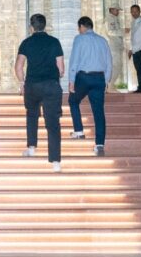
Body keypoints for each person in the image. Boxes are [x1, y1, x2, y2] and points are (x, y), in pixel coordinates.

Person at [14, 13, 65, 172]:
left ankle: (31, 148)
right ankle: (55, 161)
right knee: (53, 123)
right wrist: (57, 74)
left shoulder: (26, 43)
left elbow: (18, 66)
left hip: (32, 85)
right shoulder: (54, 42)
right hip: (51, 85)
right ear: (44, 26)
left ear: (31, 27)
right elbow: (61, 69)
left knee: (32, 115)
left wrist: (22, 83)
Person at [67, 16, 114, 156]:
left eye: (79, 28)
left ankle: (79, 131)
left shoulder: (79, 39)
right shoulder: (103, 40)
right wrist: (106, 81)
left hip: (84, 77)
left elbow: (74, 60)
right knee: (98, 111)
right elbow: (109, 63)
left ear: (82, 26)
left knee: (73, 101)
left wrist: (71, 80)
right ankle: (99, 145)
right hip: (99, 78)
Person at [105, 7, 124, 88]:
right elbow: (110, 32)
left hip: (116, 46)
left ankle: (110, 85)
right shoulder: (109, 19)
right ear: (111, 10)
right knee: (116, 65)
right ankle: (110, 85)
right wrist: (123, 31)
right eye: (116, 10)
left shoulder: (115, 19)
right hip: (112, 46)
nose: (118, 11)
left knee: (118, 65)